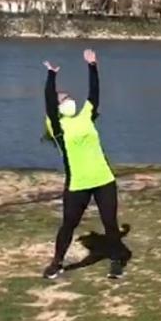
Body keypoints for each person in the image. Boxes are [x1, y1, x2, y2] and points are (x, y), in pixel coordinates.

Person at [41, 49, 131, 280]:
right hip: (78, 184)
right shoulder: (57, 128)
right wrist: (51, 76)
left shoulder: (85, 117)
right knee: (68, 224)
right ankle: (57, 263)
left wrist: (92, 66)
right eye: (64, 99)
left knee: (110, 224)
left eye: (69, 97)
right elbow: (50, 102)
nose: (69, 100)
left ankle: (116, 261)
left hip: (103, 179)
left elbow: (95, 94)